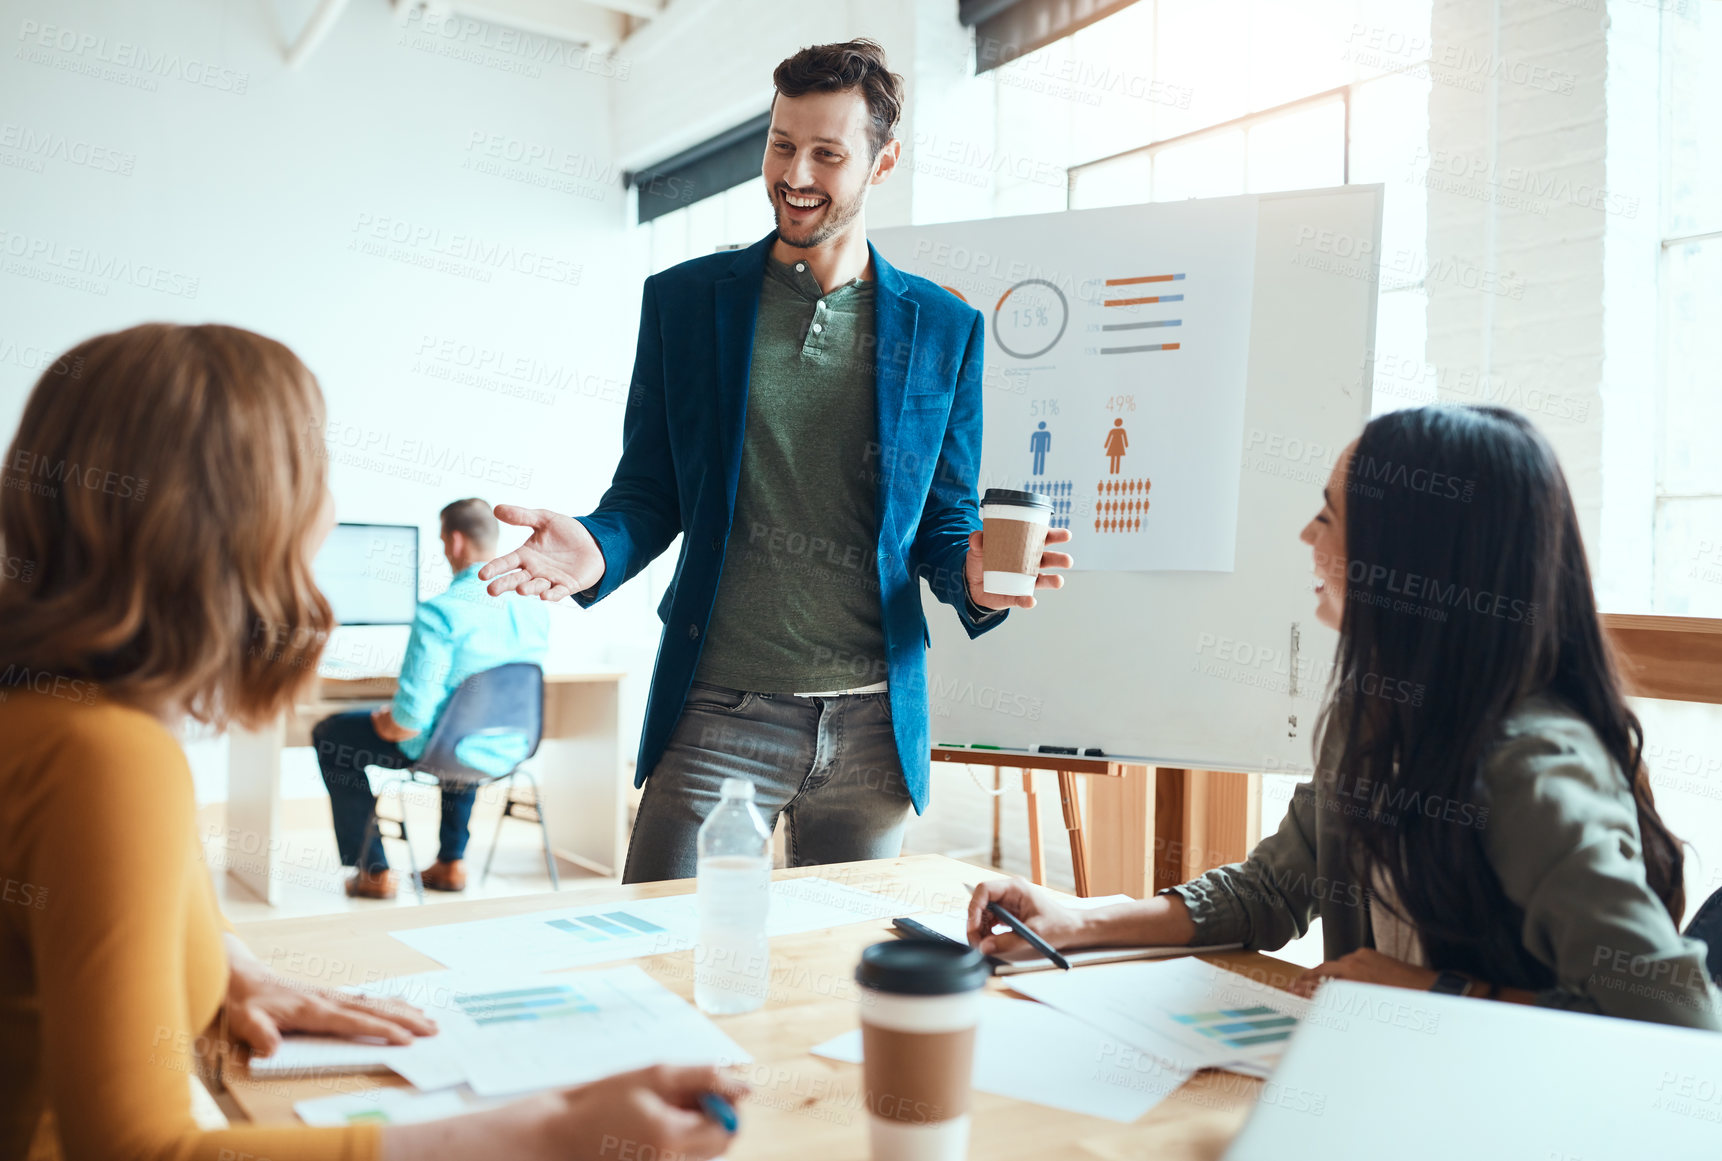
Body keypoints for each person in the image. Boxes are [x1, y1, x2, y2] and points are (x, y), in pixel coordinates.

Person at [0, 323, 745, 1160]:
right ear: (239, 516)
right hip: (501, 750)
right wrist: (545, 1133)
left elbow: (401, 723)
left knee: (341, 736)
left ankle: (375, 866)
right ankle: (426, 855)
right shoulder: (107, 761)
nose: (325, 508)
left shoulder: (65, 724)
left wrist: (228, 965)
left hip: (432, 750)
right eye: (311, 468)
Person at [481, 40, 1073, 883]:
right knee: (661, 951)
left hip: (872, 722)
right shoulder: (685, 305)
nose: (796, 172)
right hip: (719, 703)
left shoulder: (945, 329)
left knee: (836, 978)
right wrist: (599, 548)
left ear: (883, 163)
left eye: (828, 153)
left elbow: (942, 520)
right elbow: (651, 489)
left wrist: (971, 572)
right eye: (782, 144)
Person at [968, 405, 1722, 1030]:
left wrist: (1435, 992)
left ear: (1411, 563)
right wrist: (1076, 918)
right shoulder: (1373, 711)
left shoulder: (1529, 770)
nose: (1308, 537)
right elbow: (1271, 891)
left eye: (1328, 517)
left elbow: (1681, 1022)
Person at [314, 498, 550, 900]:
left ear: (455, 542)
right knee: (462, 728)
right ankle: (451, 863)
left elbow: (406, 724)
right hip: (508, 746)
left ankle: (373, 871)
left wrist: (385, 720)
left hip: (446, 751)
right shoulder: (532, 611)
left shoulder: (439, 613)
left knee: (332, 734)